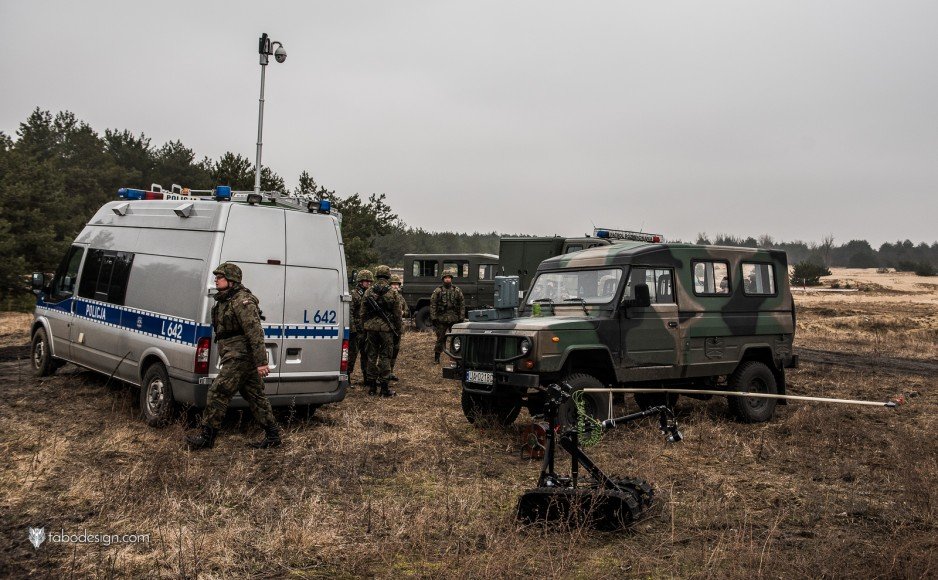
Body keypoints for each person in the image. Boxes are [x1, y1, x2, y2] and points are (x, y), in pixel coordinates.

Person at [186, 263, 281, 450]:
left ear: (231, 280)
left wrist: (262, 362)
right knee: (255, 396)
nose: (216, 279)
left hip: (240, 356)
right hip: (233, 354)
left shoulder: (242, 301)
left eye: (219, 277)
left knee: (217, 392)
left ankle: (207, 437)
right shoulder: (224, 300)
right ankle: (273, 435)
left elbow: (255, 332)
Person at [360, 265, 400, 397]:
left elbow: (362, 312)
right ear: (388, 276)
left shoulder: (369, 291)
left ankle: (371, 387)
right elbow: (397, 314)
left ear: (376, 276)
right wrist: (398, 330)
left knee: (371, 355)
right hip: (386, 329)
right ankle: (384, 388)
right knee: (385, 356)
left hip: (370, 328)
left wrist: (365, 326)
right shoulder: (392, 292)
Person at [430, 272, 464, 363]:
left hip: (454, 319)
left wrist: (461, 317)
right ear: (443, 279)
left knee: (456, 338)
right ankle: (437, 358)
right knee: (440, 339)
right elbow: (433, 304)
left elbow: (462, 304)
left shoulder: (457, 290)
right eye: (446, 278)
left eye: (449, 278)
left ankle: (457, 357)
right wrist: (433, 318)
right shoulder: (438, 291)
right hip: (442, 319)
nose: (448, 279)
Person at [348, 269, 373, 386]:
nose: (368, 283)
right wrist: (352, 330)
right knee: (351, 355)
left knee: (366, 355)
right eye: (366, 281)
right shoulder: (354, 294)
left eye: (369, 281)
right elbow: (349, 312)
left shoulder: (369, 294)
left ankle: (367, 378)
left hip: (366, 330)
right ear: (360, 281)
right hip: (357, 331)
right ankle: (346, 378)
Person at [388, 274, 407, 381]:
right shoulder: (386, 296)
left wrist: (403, 313)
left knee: (395, 349)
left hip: (397, 328)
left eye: (397, 285)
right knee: (386, 350)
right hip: (387, 328)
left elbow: (407, 311)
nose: (395, 286)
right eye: (393, 284)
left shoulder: (401, 298)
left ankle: (391, 371)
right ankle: (384, 372)